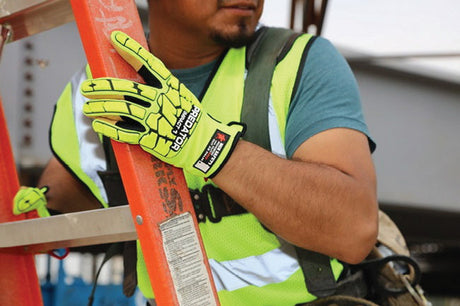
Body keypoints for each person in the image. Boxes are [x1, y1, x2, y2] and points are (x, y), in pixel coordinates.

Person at [14, 0, 379, 305]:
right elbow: (70, 198)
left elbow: (354, 230)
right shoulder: (96, 89)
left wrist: (207, 147)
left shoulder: (297, 63)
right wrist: (35, 214)